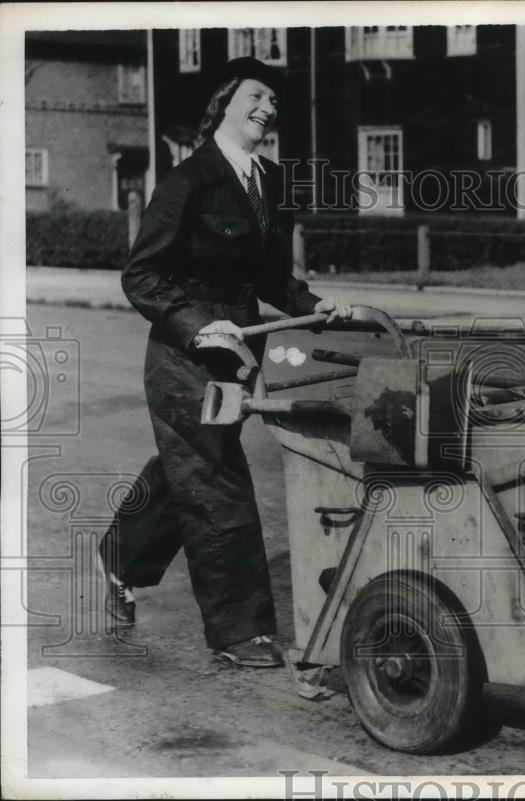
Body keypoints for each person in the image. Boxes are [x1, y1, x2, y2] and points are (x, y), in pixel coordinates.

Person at [98, 57, 349, 668]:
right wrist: (195, 323)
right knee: (215, 475)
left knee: (187, 465)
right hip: (185, 354)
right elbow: (142, 275)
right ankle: (240, 630)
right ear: (225, 103)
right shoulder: (190, 179)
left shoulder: (268, 181)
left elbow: (270, 277)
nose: (268, 108)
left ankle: (119, 556)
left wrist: (318, 306)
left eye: (273, 101)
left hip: (237, 354)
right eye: (256, 96)